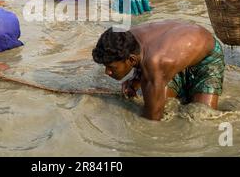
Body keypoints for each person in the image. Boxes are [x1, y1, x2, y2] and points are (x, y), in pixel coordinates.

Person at [92, 21, 225, 121]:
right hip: (172, 54)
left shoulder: (155, 63)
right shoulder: (125, 38)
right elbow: (143, 57)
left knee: (202, 116)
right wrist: (135, 80)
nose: (107, 72)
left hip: (206, 57)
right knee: (167, 107)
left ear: (131, 60)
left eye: (111, 67)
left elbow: (152, 119)